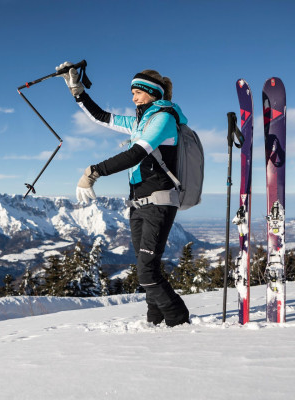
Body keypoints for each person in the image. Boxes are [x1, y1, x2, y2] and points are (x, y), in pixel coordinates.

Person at [57, 61, 190, 327]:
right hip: (138, 205)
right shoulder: (140, 122)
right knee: (146, 266)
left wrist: (94, 171)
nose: (132, 97)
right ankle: (154, 322)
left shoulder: (162, 119)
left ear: (151, 92)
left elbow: (136, 153)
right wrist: (77, 90)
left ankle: (179, 321)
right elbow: (101, 117)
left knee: (146, 270)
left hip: (159, 203)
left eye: (136, 92)